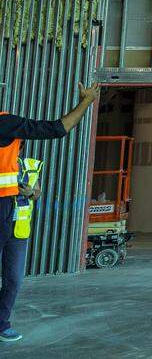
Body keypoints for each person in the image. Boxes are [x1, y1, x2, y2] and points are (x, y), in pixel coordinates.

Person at [0, 82, 99, 343]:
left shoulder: (21, 158)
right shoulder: (5, 123)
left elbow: (33, 189)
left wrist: (32, 192)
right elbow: (57, 128)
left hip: (16, 219)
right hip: (2, 209)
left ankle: (1, 323)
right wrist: (86, 102)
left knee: (14, 278)